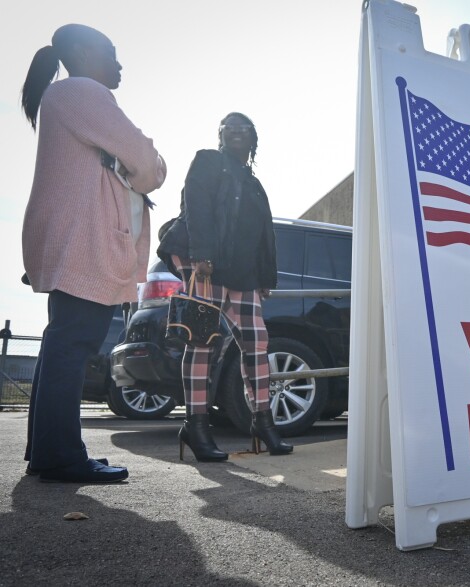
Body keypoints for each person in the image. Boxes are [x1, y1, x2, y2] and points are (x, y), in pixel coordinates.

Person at [20, 24, 166, 483]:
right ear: (83, 52)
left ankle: (48, 450)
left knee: (62, 341)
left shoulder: (62, 98)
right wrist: (142, 161)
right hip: (85, 241)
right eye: (111, 54)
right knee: (74, 341)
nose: (119, 65)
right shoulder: (83, 92)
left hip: (68, 238)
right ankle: (60, 455)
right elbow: (147, 164)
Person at [158, 112, 292, 461]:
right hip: (208, 267)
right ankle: (196, 425)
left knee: (257, 343)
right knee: (202, 342)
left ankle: (262, 421)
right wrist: (201, 254)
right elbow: (195, 205)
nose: (236, 131)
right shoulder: (208, 162)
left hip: (244, 274)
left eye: (243, 128)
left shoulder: (254, 184)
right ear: (220, 135)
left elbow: (265, 235)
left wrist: (267, 277)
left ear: (253, 138)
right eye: (229, 127)